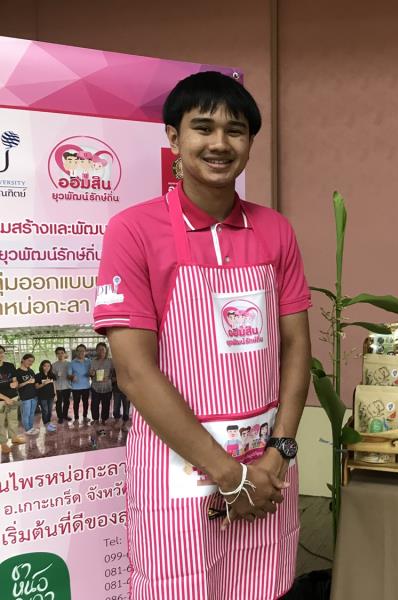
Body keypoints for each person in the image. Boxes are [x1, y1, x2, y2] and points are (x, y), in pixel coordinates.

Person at [93, 71, 312, 600]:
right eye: (203, 128)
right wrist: (229, 475)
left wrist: (278, 452)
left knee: (263, 585)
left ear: (250, 143)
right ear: (174, 137)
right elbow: (134, 373)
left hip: (266, 466)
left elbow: (296, 347)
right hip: (177, 472)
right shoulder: (133, 231)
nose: (220, 143)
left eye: (235, 131)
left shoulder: (275, 230)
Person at [0, 345, 24, 454]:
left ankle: (14, 438)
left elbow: (15, 380)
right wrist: (6, 399)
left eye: (1, 352)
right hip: (1, 401)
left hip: (13, 397)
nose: (0, 354)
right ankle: (3, 443)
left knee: (13, 419)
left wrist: (15, 383)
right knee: (0, 422)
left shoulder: (10, 365)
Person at [90, 342, 114, 426]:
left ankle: (104, 419)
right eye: (99, 349)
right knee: (94, 404)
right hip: (95, 386)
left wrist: (109, 377)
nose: (101, 351)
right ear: (96, 350)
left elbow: (113, 373)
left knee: (106, 404)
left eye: (102, 349)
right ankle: (95, 419)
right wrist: (92, 373)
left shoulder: (110, 361)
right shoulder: (93, 361)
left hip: (107, 387)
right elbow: (91, 373)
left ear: (105, 350)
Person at [17, 353, 38, 435]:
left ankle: (31, 428)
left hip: (34, 396)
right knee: (26, 414)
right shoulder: (17, 372)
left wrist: (34, 381)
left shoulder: (31, 371)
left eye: (32, 361)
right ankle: (27, 429)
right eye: (29, 361)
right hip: (25, 397)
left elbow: (34, 382)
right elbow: (17, 386)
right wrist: (27, 382)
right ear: (23, 360)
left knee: (32, 414)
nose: (30, 363)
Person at [70, 344, 92, 424]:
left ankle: (85, 417)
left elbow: (92, 372)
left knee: (86, 403)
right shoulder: (72, 363)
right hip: (75, 387)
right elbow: (69, 375)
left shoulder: (89, 361)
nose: (81, 352)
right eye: (79, 351)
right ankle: (76, 418)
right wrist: (72, 377)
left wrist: (91, 373)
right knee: (76, 403)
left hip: (86, 386)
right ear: (76, 352)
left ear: (85, 352)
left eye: (83, 351)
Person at [52, 346, 73, 424]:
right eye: (58, 353)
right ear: (56, 355)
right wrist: (56, 375)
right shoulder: (53, 365)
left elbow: (72, 374)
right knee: (58, 403)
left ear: (65, 353)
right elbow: (52, 377)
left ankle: (65, 415)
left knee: (67, 402)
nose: (60, 355)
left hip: (67, 386)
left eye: (62, 353)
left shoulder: (69, 364)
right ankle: (60, 417)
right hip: (58, 387)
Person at [35, 360, 57, 433]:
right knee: (45, 411)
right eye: (45, 366)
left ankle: (48, 423)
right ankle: (46, 424)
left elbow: (54, 385)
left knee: (50, 411)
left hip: (51, 396)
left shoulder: (52, 375)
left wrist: (55, 395)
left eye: (48, 366)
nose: (47, 367)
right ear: (42, 366)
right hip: (42, 397)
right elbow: (36, 387)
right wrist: (44, 383)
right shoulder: (38, 375)